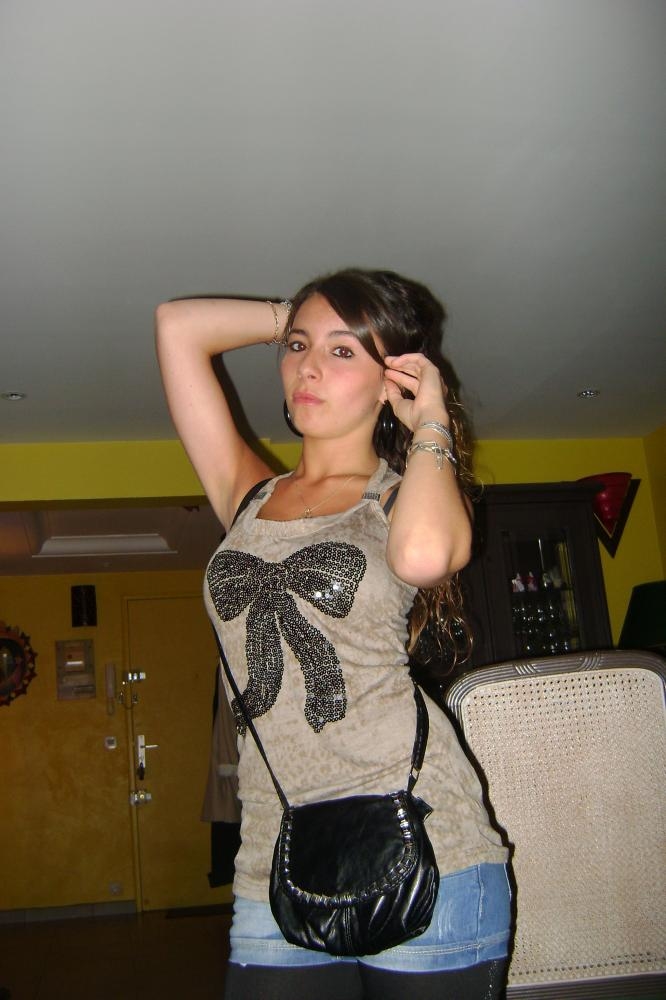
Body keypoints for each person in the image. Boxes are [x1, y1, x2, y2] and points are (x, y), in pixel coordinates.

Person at [155, 268, 511, 1000]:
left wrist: (431, 415)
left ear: (392, 379)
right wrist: (300, 314)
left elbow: (425, 556)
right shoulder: (248, 495)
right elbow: (176, 327)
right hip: (275, 848)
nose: (308, 366)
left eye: (344, 351)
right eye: (297, 347)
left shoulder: (399, 496)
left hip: (426, 840)